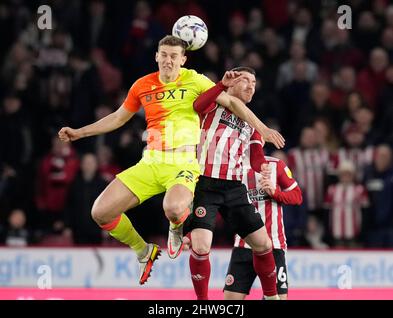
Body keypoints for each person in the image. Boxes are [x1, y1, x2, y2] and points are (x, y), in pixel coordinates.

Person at [58, 36, 284, 285]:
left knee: (174, 208)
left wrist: (261, 129)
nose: (168, 60)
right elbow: (117, 118)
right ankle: (144, 251)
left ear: (183, 59)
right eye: (163, 54)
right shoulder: (142, 85)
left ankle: (176, 225)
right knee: (100, 212)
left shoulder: (193, 78)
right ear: (156, 56)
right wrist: (79, 132)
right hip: (151, 162)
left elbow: (230, 101)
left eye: (174, 56)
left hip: (183, 163)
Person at [187, 67, 284, 300]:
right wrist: (220, 85)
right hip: (205, 184)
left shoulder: (253, 123)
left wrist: (265, 168)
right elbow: (198, 106)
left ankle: (271, 297)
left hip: (234, 188)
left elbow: (256, 157)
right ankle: (203, 304)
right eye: (245, 80)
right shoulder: (215, 103)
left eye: (254, 82)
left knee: (263, 244)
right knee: (201, 247)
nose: (251, 85)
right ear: (231, 83)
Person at [223, 155, 302, 300]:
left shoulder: (276, 165)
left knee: (278, 298)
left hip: (274, 245)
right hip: (244, 244)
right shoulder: (231, 168)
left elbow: (297, 196)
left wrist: (276, 193)